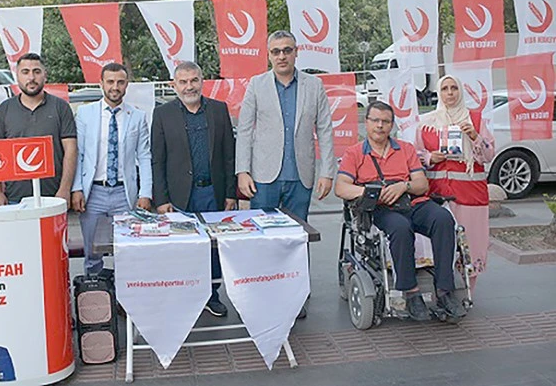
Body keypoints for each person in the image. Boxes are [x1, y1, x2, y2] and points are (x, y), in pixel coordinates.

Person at [335, 101, 467, 321]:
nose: (380, 126)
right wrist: (370, 192)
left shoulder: (405, 149)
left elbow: (421, 184)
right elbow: (341, 187)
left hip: (412, 201)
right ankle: (411, 292)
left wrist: (402, 186)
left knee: (443, 218)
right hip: (381, 209)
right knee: (400, 227)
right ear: (366, 123)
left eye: (385, 122)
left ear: (392, 125)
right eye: (375, 120)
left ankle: (444, 291)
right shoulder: (354, 153)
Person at [151, 61, 236, 317]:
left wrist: (231, 193)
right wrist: (161, 199)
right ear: (174, 85)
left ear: (202, 81)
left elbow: (229, 155)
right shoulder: (162, 114)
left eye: (194, 80)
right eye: (183, 82)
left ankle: (212, 295)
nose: (189, 86)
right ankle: (185, 297)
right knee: (182, 248)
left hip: (213, 193)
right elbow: (157, 159)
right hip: (179, 195)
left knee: (213, 249)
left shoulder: (219, 110)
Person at [236, 30, 336, 221]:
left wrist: (327, 173)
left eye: (287, 50)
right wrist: (242, 172)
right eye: (275, 52)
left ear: (296, 52)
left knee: (298, 236)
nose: (281, 56)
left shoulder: (314, 85)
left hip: (300, 176)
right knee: (262, 236)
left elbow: (325, 131)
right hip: (264, 177)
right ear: (269, 55)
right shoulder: (256, 85)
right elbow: (244, 131)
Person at [72, 63, 153, 274]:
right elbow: (78, 154)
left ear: (126, 85)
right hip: (93, 193)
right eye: (110, 82)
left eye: (120, 82)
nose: (115, 87)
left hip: (124, 194)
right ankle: (96, 300)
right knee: (92, 253)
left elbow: (144, 156)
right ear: (101, 84)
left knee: (127, 253)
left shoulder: (137, 116)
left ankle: (124, 301)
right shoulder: (85, 113)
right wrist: (77, 189)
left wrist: (146, 193)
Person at [416, 75, 495, 292]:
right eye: (445, 89)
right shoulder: (427, 123)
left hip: (470, 195)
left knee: (471, 244)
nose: (450, 93)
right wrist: (431, 157)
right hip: (437, 194)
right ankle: (441, 289)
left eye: (454, 88)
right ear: (439, 93)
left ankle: (468, 292)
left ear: (460, 91)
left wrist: (475, 137)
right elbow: (415, 155)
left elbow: (488, 155)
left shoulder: (476, 119)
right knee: (440, 244)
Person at [0, 53, 77, 207]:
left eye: (36, 72)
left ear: (45, 75)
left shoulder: (61, 107)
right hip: (14, 199)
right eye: (25, 72)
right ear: (17, 76)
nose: (31, 77)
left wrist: (65, 189)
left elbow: (70, 150)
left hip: (53, 197)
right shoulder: (5, 109)